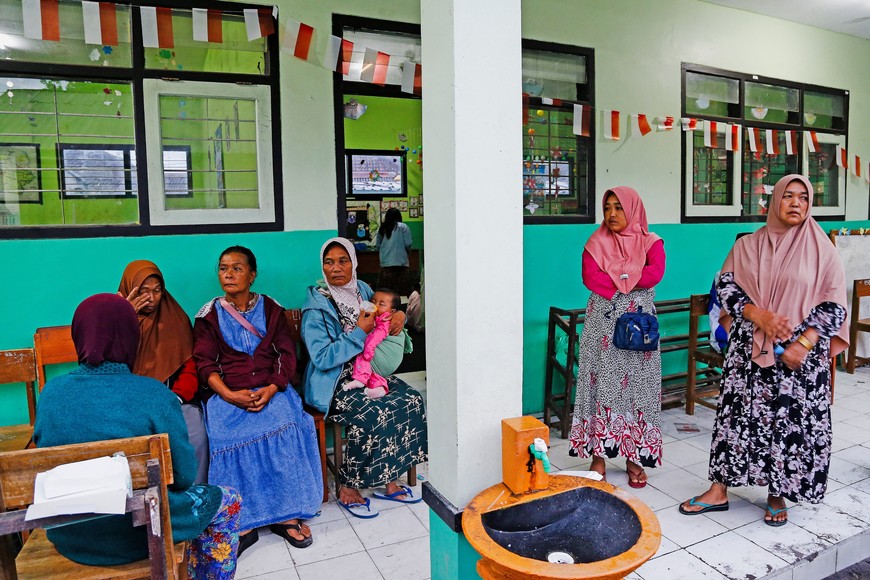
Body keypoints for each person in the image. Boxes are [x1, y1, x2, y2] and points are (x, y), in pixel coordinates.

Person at [680, 175, 848, 527]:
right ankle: (719, 489)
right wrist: (760, 315)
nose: (796, 203)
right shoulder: (747, 246)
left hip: (798, 359)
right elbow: (725, 289)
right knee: (736, 420)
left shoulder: (823, 249)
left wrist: (803, 344)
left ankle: (777, 492)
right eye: (788, 196)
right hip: (749, 354)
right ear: (774, 201)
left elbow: (834, 305)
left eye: (803, 197)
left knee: (787, 424)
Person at [33, 294, 241, 579]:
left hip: (68, 535)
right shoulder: (154, 394)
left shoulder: (51, 394)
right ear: (132, 337)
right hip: (142, 534)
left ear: (79, 335)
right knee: (229, 500)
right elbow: (183, 476)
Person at [193, 246, 322, 555]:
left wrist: (273, 388)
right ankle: (243, 522)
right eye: (223, 268)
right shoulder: (208, 316)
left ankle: (287, 514)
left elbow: (286, 355)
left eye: (237, 268)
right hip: (228, 394)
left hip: (271, 389)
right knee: (225, 432)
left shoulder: (271, 309)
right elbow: (205, 364)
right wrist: (227, 394)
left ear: (252, 275)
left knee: (285, 422)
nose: (229, 274)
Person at [302, 237, 427, 518]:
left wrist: (400, 318)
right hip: (335, 380)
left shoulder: (362, 289)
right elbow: (321, 358)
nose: (336, 268)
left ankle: (390, 478)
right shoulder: (316, 306)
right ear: (322, 266)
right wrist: (359, 332)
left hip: (369, 373)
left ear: (354, 264)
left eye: (343, 261)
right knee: (372, 411)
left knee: (411, 400)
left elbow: (387, 310)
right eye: (329, 262)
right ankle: (349, 485)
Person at [568, 187, 666, 488]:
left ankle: (634, 456)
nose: (612, 214)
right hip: (604, 324)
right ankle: (598, 457)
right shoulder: (595, 242)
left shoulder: (652, 242)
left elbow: (656, 272)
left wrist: (624, 276)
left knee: (639, 386)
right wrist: (623, 284)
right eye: (608, 207)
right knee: (602, 384)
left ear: (633, 210)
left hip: (640, 324)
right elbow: (590, 276)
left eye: (619, 208)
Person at [118, 259, 209, 483]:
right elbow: (110, 361)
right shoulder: (116, 322)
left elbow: (190, 367)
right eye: (144, 291)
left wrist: (175, 397)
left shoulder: (175, 319)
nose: (151, 298)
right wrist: (125, 318)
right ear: (130, 290)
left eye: (157, 291)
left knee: (196, 434)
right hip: (129, 401)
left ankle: (192, 498)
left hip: (172, 399)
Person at [343, 288, 403, 398]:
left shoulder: (384, 322)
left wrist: (368, 351)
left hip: (374, 354)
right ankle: (380, 388)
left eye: (382, 304)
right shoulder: (377, 317)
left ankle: (360, 379)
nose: (375, 305)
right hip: (377, 363)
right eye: (373, 301)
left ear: (392, 311)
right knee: (373, 374)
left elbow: (375, 338)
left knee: (362, 359)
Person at [376, 207, 413, 296]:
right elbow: (408, 243)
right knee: (401, 292)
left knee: (387, 293)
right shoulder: (403, 227)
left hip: (386, 265)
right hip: (401, 264)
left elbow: (378, 245)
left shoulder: (382, 228)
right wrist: (407, 253)